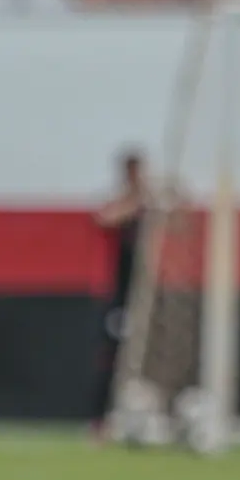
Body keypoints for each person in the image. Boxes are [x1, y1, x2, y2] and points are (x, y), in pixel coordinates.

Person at [90, 148, 147, 428]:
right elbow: (104, 218)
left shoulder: (153, 205)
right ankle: (102, 419)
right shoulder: (125, 203)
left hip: (149, 295)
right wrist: (134, 201)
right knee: (113, 355)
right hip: (122, 295)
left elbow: (180, 222)